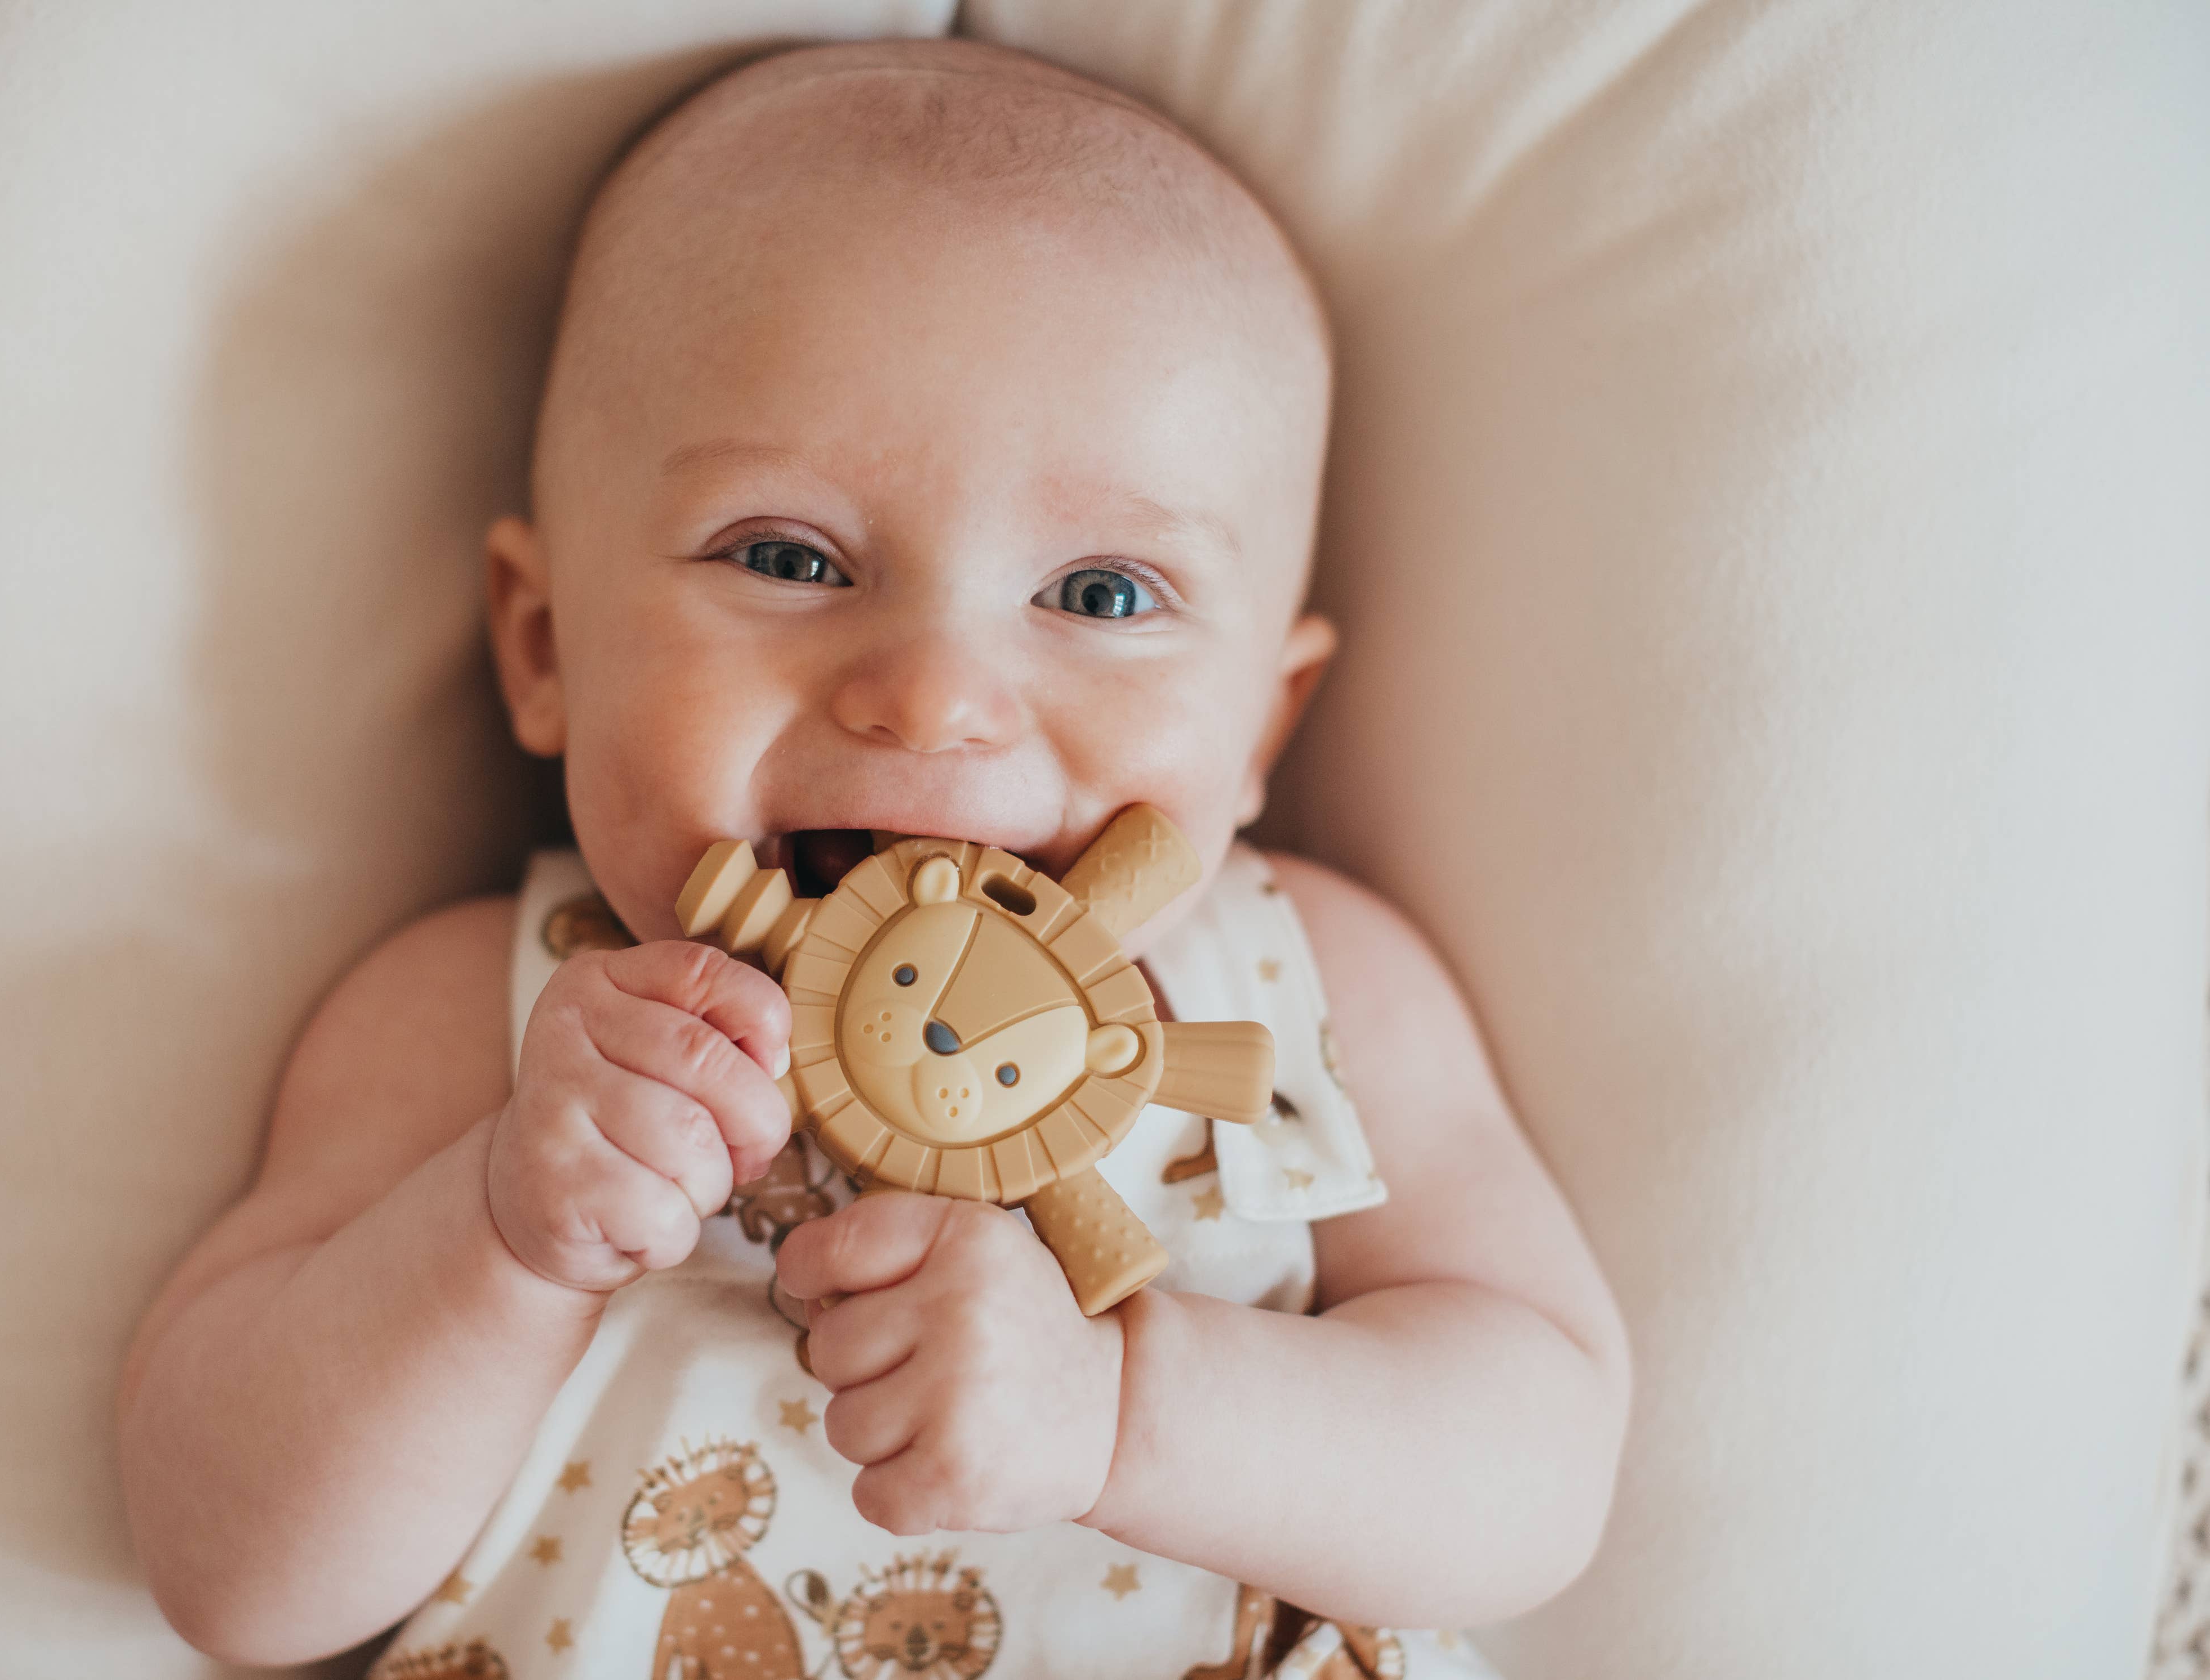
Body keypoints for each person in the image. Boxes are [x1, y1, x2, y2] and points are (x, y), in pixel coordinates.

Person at [117, 37, 1629, 1678]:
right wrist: (495, 1242)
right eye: (790, 556)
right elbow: (232, 1577)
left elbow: (1536, 1479)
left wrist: (1125, 1413)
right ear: (546, 644)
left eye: (1104, 595)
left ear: (1265, 726)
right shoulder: (474, 1030)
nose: (936, 696)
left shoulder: (1303, 991)